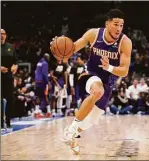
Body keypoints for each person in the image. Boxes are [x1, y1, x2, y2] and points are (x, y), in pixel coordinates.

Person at [51, 9, 132, 154]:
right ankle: (70, 133)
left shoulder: (125, 42)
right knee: (97, 91)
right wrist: (61, 50)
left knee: (92, 119)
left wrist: (110, 67)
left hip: (108, 81)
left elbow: (124, 71)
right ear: (107, 24)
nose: (119, 28)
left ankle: (71, 132)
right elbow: (73, 48)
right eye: (116, 24)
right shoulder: (94, 34)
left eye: (121, 25)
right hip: (90, 74)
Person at [1, 29, 18, 131]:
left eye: (3, 34)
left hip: (9, 77)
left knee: (10, 99)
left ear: (6, 36)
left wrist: (15, 66)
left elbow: (15, 61)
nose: (1, 36)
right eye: (0, 34)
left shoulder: (11, 47)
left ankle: (8, 122)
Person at [34, 53, 51, 118]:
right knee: (45, 95)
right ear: (46, 57)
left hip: (37, 81)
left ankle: (36, 111)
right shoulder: (45, 63)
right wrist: (47, 82)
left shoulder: (38, 63)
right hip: (42, 82)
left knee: (38, 96)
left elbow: (36, 72)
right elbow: (44, 74)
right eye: (48, 57)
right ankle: (49, 112)